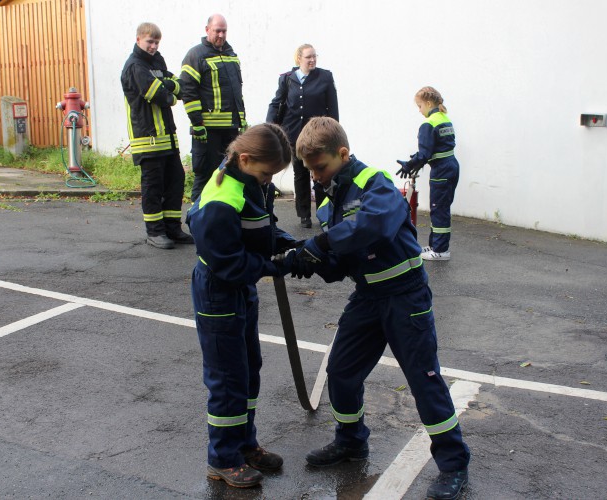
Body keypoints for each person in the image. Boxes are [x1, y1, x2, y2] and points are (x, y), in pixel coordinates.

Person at [294, 117, 471, 500]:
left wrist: (322, 245)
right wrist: (304, 262)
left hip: (405, 296)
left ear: (342, 154)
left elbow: (375, 226)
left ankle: (454, 464)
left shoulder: (375, 183)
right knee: (341, 372)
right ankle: (351, 441)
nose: (316, 176)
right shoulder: (329, 200)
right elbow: (340, 263)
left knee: (424, 381)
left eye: (320, 167)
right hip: (368, 297)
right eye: (310, 169)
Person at [186, 123, 302, 489]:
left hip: (239, 290)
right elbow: (230, 263)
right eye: (267, 173)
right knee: (227, 378)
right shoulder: (222, 199)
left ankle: (244, 444)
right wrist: (277, 265)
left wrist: (293, 246)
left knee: (249, 369)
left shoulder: (250, 183)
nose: (269, 181)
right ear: (246, 158)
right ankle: (221, 458)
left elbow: (261, 229)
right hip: (219, 291)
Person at [120, 22, 194, 249]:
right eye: (149, 42)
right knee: (153, 187)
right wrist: (168, 91)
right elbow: (161, 96)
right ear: (138, 40)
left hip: (167, 138)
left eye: (156, 42)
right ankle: (154, 232)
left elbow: (180, 87)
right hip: (148, 139)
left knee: (175, 181)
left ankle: (172, 228)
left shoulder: (156, 62)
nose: (153, 46)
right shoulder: (135, 66)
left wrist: (167, 86)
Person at [266, 44, 339, 228]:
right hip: (293, 134)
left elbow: (333, 107)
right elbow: (276, 103)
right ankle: (304, 215)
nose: (313, 60)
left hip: (318, 136)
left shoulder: (325, 77)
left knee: (321, 174)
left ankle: (324, 213)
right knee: (300, 174)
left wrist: (333, 132)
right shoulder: (287, 79)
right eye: (309, 57)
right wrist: (269, 126)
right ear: (299, 58)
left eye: (315, 56)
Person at [180, 14, 246, 203]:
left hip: (231, 130)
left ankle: (222, 217)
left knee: (229, 174)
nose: (221, 35)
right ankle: (197, 218)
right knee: (204, 175)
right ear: (207, 29)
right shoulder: (196, 55)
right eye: (217, 30)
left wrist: (242, 120)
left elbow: (236, 91)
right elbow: (188, 90)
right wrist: (197, 122)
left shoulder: (231, 55)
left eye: (224, 31)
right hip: (207, 131)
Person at [397, 86, 460, 261]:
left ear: (428, 103)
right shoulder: (444, 119)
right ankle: (435, 245)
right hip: (451, 166)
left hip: (441, 170)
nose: (419, 110)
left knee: (438, 209)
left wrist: (409, 165)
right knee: (441, 208)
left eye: (419, 106)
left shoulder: (428, 123)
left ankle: (440, 250)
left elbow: (425, 154)